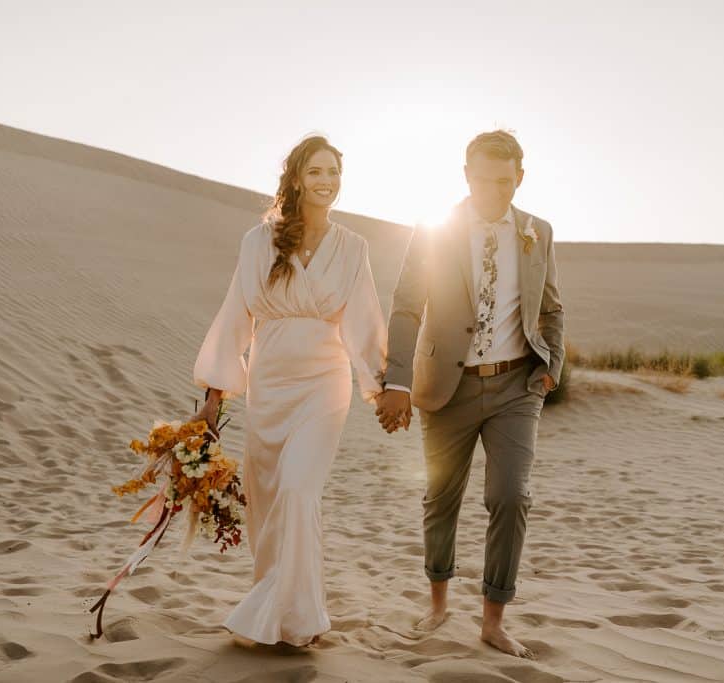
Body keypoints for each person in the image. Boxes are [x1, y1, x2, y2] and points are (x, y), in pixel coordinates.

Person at [375, 130, 565, 659]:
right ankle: (437, 605)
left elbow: (552, 308)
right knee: (441, 498)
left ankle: (493, 619)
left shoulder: (538, 232)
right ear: (465, 175)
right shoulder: (435, 230)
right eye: (482, 180)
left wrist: (552, 366)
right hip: (447, 386)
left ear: (520, 178)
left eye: (504, 182)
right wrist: (397, 381)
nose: (492, 191)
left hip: (516, 386)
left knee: (510, 495)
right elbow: (407, 303)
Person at [192, 135, 386, 646]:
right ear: (297, 178)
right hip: (269, 388)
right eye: (317, 172)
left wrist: (384, 389)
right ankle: (284, 607)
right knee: (268, 501)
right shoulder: (257, 243)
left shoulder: (354, 248)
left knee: (299, 490)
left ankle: (292, 620)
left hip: (324, 388)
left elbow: (365, 325)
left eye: (335, 173)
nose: (328, 182)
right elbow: (235, 318)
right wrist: (215, 397)